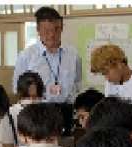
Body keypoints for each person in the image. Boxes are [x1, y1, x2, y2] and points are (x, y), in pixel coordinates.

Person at [13, 7, 82, 135]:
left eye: (56, 29)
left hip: (66, 110)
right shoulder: (27, 56)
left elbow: (77, 83)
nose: (52, 35)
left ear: (62, 28)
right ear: (38, 30)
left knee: (65, 144)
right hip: (38, 112)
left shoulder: (73, 54)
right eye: (46, 30)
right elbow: (18, 88)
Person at [91, 44, 132, 129]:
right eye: (103, 74)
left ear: (119, 64)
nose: (107, 78)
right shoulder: (109, 84)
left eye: (107, 73)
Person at [0, 71, 45, 147]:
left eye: (35, 98)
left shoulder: (47, 111)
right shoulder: (10, 113)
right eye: (27, 98)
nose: (31, 101)